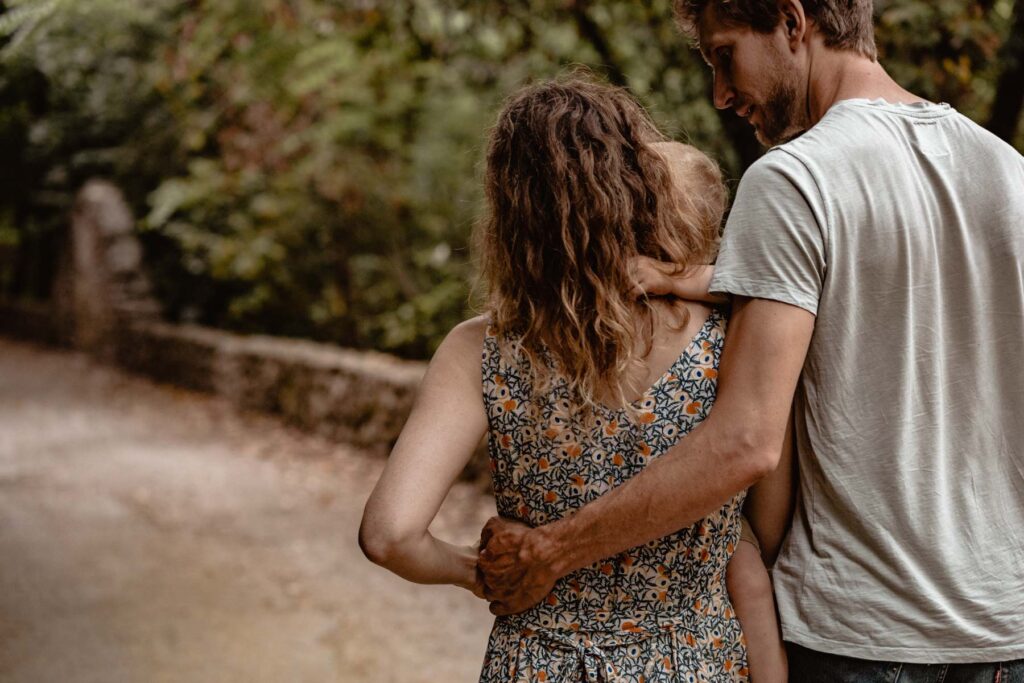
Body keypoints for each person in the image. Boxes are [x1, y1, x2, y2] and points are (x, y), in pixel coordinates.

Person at [477, 1, 1024, 680]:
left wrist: (553, 550)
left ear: (793, 21)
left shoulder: (796, 178)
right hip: (1004, 630)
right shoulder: (1006, 171)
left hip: (862, 635)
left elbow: (745, 442)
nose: (721, 93)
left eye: (724, 55)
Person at [360, 74, 788, 681]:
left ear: (510, 214)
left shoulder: (477, 350)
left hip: (538, 659)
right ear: (636, 184)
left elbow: (389, 535)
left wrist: (486, 572)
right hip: (692, 658)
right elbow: (769, 522)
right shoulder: (733, 333)